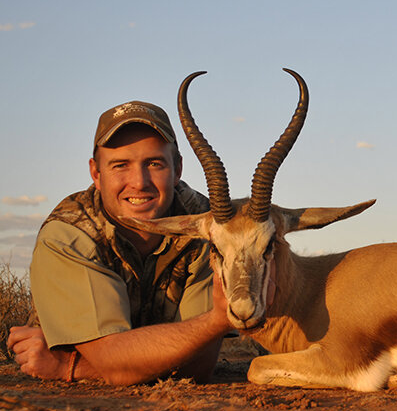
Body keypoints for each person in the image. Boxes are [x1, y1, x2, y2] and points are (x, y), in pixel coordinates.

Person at [7, 101, 232, 385]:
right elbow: (116, 365)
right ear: (96, 174)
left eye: (154, 163)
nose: (139, 182)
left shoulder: (209, 226)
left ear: (177, 170)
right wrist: (215, 322)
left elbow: (197, 367)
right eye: (120, 165)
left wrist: (70, 366)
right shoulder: (68, 234)